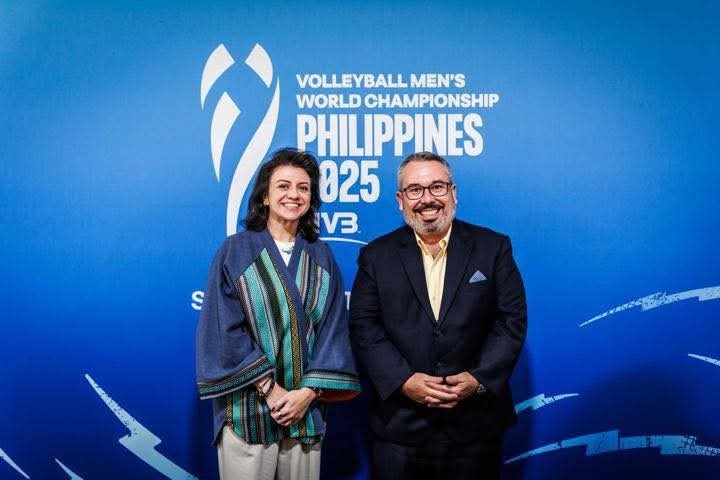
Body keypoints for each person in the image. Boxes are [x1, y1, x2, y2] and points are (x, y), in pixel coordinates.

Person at [349, 152, 527, 479]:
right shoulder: (375, 256)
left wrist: (478, 379)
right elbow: (364, 326)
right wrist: (403, 381)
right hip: (400, 427)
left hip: (475, 425)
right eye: (415, 190)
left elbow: (510, 321)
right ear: (400, 200)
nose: (427, 199)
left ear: (453, 192)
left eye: (437, 187)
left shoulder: (493, 247)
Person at [196, 148, 360, 480]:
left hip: (305, 408)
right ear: (265, 196)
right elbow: (224, 328)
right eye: (283, 186)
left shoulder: (321, 255)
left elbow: (333, 330)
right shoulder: (235, 250)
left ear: (311, 198)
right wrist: (271, 391)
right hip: (247, 409)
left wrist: (307, 393)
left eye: (303, 187)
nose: (294, 194)